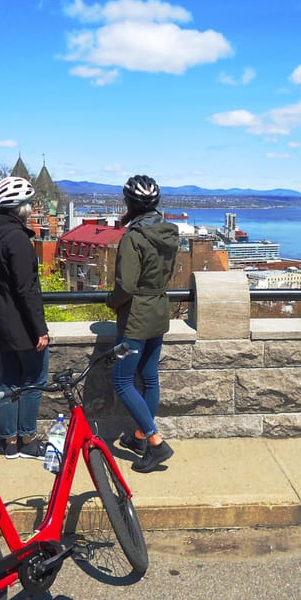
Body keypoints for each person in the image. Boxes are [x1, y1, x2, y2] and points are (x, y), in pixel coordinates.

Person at [107, 174, 179, 473]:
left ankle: (155, 441)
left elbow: (126, 285)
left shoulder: (133, 238)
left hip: (136, 315)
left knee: (122, 381)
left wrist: (112, 303)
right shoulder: (170, 233)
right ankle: (139, 437)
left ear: (128, 203)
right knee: (149, 376)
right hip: (160, 309)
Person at [0, 176, 49, 460]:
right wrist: (39, 329)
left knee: (9, 379)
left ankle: (9, 442)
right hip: (22, 322)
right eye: (27, 203)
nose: (30, 208)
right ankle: (28, 439)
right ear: (18, 207)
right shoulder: (17, 239)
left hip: (1, 317)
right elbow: (26, 289)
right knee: (34, 378)